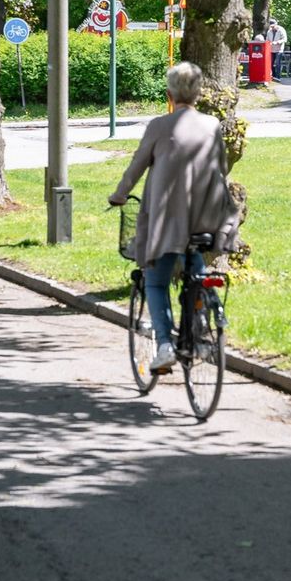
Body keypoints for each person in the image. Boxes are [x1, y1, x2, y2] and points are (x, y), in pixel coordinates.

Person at [108, 62, 242, 372]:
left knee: (155, 280)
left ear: (170, 94)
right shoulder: (212, 125)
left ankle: (166, 346)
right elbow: (221, 167)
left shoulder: (158, 126)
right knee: (195, 262)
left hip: (167, 216)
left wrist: (119, 194)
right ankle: (201, 315)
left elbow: (136, 167)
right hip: (207, 215)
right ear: (198, 94)